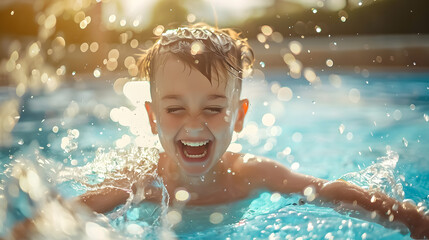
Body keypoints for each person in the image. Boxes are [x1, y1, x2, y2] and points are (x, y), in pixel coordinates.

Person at [13, 23, 429, 239]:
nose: (194, 125)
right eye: (175, 110)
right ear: (152, 118)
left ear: (240, 115)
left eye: (213, 109)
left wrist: (410, 217)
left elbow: (327, 190)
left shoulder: (252, 174)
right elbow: (70, 213)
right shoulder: (141, 178)